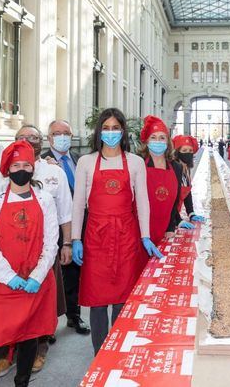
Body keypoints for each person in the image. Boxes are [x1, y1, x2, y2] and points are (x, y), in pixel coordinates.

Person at [0, 124, 75, 376]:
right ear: (7, 169)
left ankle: (23, 379)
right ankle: (2, 358)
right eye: (15, 166)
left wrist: (37, 275)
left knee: (32, 332)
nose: (21, 170)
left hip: (35, 276)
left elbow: (52, 240)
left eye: (26, 166)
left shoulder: (44, 197)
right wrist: (8, 275)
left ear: (34, 167)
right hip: (3, 278)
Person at [71, 108, 159, 355]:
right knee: (98, 302)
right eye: (106, 128)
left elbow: (142, 201)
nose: (111, 133)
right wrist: (75, 238)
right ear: (99, 131)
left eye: (116, 128)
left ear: (123, 132)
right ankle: (100, 354)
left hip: (126, 235)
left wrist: (145, 235)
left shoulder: (135, 162)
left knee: (123, 299)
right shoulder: (86, 162)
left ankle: (119, 352)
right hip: (96, 235)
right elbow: (78, 202)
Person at [41, 120, 91, 335]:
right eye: (57, 133)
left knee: (73, 272)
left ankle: (74, 315)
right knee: (50, 276)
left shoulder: (80, 160)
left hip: (78, 224)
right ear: (49, 137)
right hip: (51, 226)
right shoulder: (41, 162)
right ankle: (46, 326)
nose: (62, 137)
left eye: (66, 133)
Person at [137, 117, 197, 268]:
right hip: (139, 231)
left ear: (167, 141)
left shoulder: (176, 168)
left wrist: (171, 227)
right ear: (146, 141)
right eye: (153, 137)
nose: (158, 141)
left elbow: (174, 201)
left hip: (164, 230)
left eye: (162, 137)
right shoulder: (138, 164)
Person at [172, 135, 205, 222]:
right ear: (177, 152)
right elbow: (170, 200)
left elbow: (187, 193)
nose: (188, 153)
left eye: (190, 150)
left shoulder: (186, 169)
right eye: (184, 150)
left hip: (176, 215)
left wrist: (191, 213)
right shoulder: (174, 169)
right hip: (170, 216)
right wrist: (178, 220)